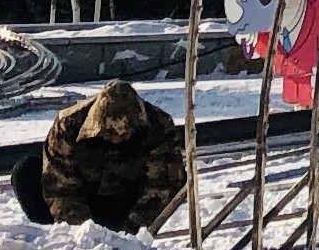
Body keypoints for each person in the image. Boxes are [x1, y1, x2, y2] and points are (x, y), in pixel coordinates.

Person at [14, 78, 190, 232]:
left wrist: (133, 230)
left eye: (124, 138)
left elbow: (162, 185)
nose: (116, 141)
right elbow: (60, 187)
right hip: (85, 195)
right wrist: (81, 232)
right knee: (26, 171)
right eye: (108, 136)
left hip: (128, 200)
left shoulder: (158, 126)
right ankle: (51, 236)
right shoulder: (68, 124)